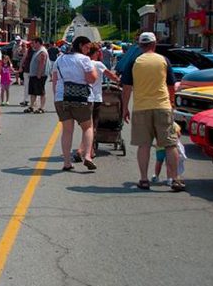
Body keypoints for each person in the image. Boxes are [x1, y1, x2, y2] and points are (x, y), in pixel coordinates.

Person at [121, 32, 184, 191]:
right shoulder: (164, 60)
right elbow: (171, 86)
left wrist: (124, 108)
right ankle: (175, 179)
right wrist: (171, 103)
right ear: (155, 44)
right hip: (162, 106)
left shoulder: (134, 62)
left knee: (144, 145)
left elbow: (127, 88)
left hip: (142, 107)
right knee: (170, 144)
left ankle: (143, 179)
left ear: (140, 46)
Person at [51, 36, 98, 171]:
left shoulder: (60, 59)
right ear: (81, 45)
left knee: (67, 130)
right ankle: (88, 156)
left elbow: (54, 80)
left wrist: (57, 97)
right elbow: (91, 79)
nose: (88, 51)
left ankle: (67, 162)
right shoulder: (84, 60)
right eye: (87, 47)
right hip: (82, 98)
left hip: (62, 97)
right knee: (87, 127)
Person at [74, 43, 120, 162]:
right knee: (92, 126)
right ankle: (85, 150)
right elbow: (110, 75)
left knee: (85, 126)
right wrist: (119, 80)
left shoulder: (82, 63)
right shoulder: (98, 64)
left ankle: (87, 149)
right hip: (95, 98)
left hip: (82, 97)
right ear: (95, 53)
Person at [28, 37, 49, 114]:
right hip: (34, 75)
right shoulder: (37, 51)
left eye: (33, 43)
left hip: (39, 75)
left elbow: (42, 63)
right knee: (33, 92)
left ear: (38, 43)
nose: (32, 45)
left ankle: (41, 107)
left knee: (41, 92)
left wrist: (39, 74)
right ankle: (32, 106)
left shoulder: (42, 52)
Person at [19, 41, 34, 108]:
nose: (32, 44)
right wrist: (21, 66)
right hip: (27, 70)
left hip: (34, 71)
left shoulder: (38, 51)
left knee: (33, 87)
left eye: (34, 43)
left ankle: (33, 101)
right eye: (32, 43)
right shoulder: (28, 50)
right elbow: (23, 58)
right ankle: (26, 100)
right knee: (26, 86)